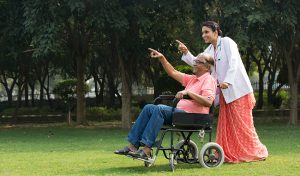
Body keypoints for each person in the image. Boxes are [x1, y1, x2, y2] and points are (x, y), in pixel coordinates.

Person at [177, 20, 268, 163]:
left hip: (238, 91)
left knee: (244, 126)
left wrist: (228, 81)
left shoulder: (227, 42)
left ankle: (256, 152)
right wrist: (186, 52)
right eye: (202, 33)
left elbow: (234, 61)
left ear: (216, 31)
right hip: (224, 94)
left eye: (206, 32)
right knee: (229, 127)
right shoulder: (208, 51)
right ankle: (231, 153)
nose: (204, 35)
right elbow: (197, 62)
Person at [114, 48, 217, 160]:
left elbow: (208, 101)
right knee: (149, 108)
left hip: (194, 117)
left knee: (160, 109)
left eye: (198, 61)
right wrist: (162, 58)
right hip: (181, 115)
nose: (194, 63)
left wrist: (189, 92)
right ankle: (133, 146)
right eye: (195, 60)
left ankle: (147, 150)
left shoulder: (208, 79)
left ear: (207, 67)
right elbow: (172, 72)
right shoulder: (192, 79)